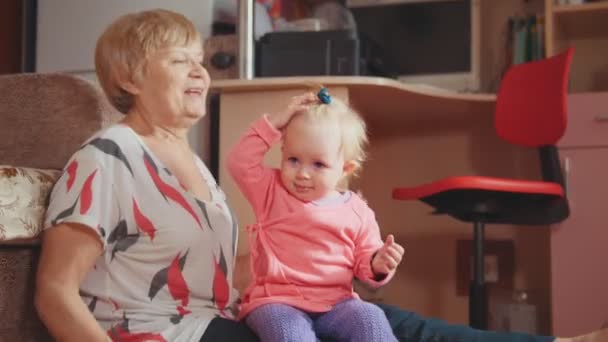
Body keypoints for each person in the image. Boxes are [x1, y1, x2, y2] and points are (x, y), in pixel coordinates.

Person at [33, 7, 608, 342]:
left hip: (218, 315)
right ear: (131, 76)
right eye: (181, 60)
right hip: (166, 334)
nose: (200, 72)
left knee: (383, 319)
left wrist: (327, 271)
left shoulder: (193, 169)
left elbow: (225, 265)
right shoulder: (108, 156)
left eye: (201, 60)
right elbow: (56, 292)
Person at [226, 89, 404, 341]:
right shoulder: (271, 190)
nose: (303, 174)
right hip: (276, 302)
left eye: (318, 164)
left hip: (337, 305)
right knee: (290, 334)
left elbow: (366, 265)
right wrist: (275, 123)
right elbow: (239, 162)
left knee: (370, 318)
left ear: (345, 169)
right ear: (283, 151)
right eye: (293, 160)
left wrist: (378, 264)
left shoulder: (357, 211)